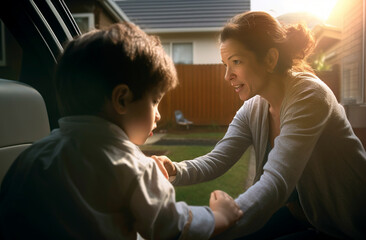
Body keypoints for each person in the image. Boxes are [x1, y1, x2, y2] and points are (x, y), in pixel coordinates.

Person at [0, 22, 243, 239]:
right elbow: (172, 227)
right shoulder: (134, 168)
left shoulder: (30, 159)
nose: (157, 114)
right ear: (122, 99)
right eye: (155, 100)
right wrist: (219, 217)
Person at [152, 11, 366, 239]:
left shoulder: (309, 96)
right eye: (225, 64)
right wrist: (174, 169)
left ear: (271, 59)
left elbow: (276, 182)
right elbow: (218, 159)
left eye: (236, 62)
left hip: (345, 225)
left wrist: (216, 221)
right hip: (303, 215)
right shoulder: (253, 107)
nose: (227, 76)